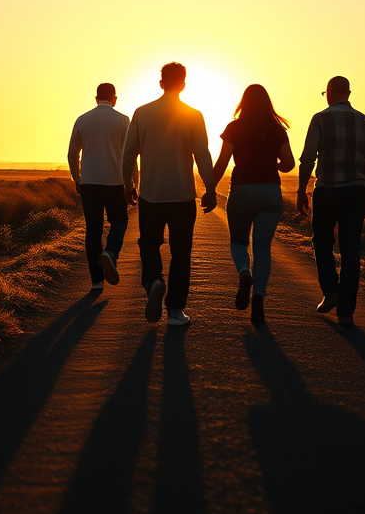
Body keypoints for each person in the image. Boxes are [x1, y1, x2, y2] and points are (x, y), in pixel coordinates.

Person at [122, 62, 217, 326]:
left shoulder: (142, 113)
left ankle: (154, 281)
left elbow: (129, 155)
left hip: (151, 196)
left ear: (161, 83)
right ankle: (175, 310)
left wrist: (127, 185)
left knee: (149, 243)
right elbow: (202, 155)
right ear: (184, 84)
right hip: (184, 197)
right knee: (181, 253)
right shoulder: (194, 115)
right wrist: (210, 188)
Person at [296, 76, 365, 327]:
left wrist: (301, 190)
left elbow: (307, 158)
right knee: (351, 250)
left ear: (331, 92)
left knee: (322, 241)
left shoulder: (320, 119)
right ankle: (346, 312)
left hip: (327, 190)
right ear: (349, 93)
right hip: (355, 191)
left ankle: (331, 291)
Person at [212, 85, 295, 325]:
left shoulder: (234, 128)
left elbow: (222, 162)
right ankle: (258, 297)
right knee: (263, 248)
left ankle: (243, 273)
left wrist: (209, 190)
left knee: (238, 242)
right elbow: (288, 163)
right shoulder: (277, 130)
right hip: (270, 191)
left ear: (243, 103)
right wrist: (274, 166)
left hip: (240, 190)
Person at [67, 82, 135, 293]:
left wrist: (77, 178)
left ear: (96, 98)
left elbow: (72, 154)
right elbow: (131, 155)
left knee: (93, 230)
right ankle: (111, 253)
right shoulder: (123, 121)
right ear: (114, 98)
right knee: (120, 221)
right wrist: (133, 183)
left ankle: (96, 280)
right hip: (115, 183)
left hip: (89, 183)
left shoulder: (82, 120)